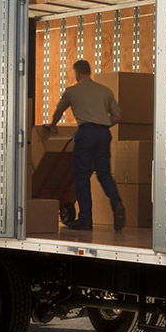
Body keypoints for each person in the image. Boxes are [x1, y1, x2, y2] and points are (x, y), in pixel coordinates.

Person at [45, 60, 126, 230]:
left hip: (85, 134)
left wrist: (52, 124)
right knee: (104, 174)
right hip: (104, 134)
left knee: (82, 177)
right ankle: (116, 200)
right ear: (89, 72)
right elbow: (118, 116)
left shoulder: (72, 91)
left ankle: (86, 219)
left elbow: (60, 110)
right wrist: (102, 123)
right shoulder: (105, 90)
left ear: (77, 73)